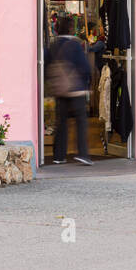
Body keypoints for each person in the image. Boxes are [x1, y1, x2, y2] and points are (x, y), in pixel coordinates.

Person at [45, 16, 93, 164]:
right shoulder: (75, 45)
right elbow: (84, 67)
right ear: (71, 29)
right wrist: (87, 83)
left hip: (59, 89)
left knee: (61, 122)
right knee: (80, 121)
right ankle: (83, 154)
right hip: (75, 89)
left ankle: (59, 155)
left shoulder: (53, 45)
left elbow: (46, 64)